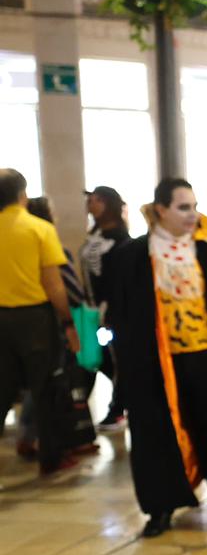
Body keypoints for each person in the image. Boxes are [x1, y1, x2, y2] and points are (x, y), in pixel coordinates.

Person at [105, 178, 207, 537]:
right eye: (183, 207)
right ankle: (161, 505)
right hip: (155, 362)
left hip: (206, 356)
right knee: (157, 431)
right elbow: (123, 313)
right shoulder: (133, 255)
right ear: (161, 210)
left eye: (194, 206)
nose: (193, 215)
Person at [0, 169, 81, 476]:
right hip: (35, 318)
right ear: (22, 195)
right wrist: (68, 320)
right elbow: (54, 284)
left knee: (3, 391)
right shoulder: (39, 229)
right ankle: (51, 457)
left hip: (1, 319)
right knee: (44, 388)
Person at [81, 186, 131, 430]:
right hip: (91, 311)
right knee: (101, 359)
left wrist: (108, 309)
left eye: (97, 199)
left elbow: (118, 278)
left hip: (111, 312)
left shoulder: (121, 240)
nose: (91, 203)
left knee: (115, 358)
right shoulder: (95, 235)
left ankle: (119, 406)